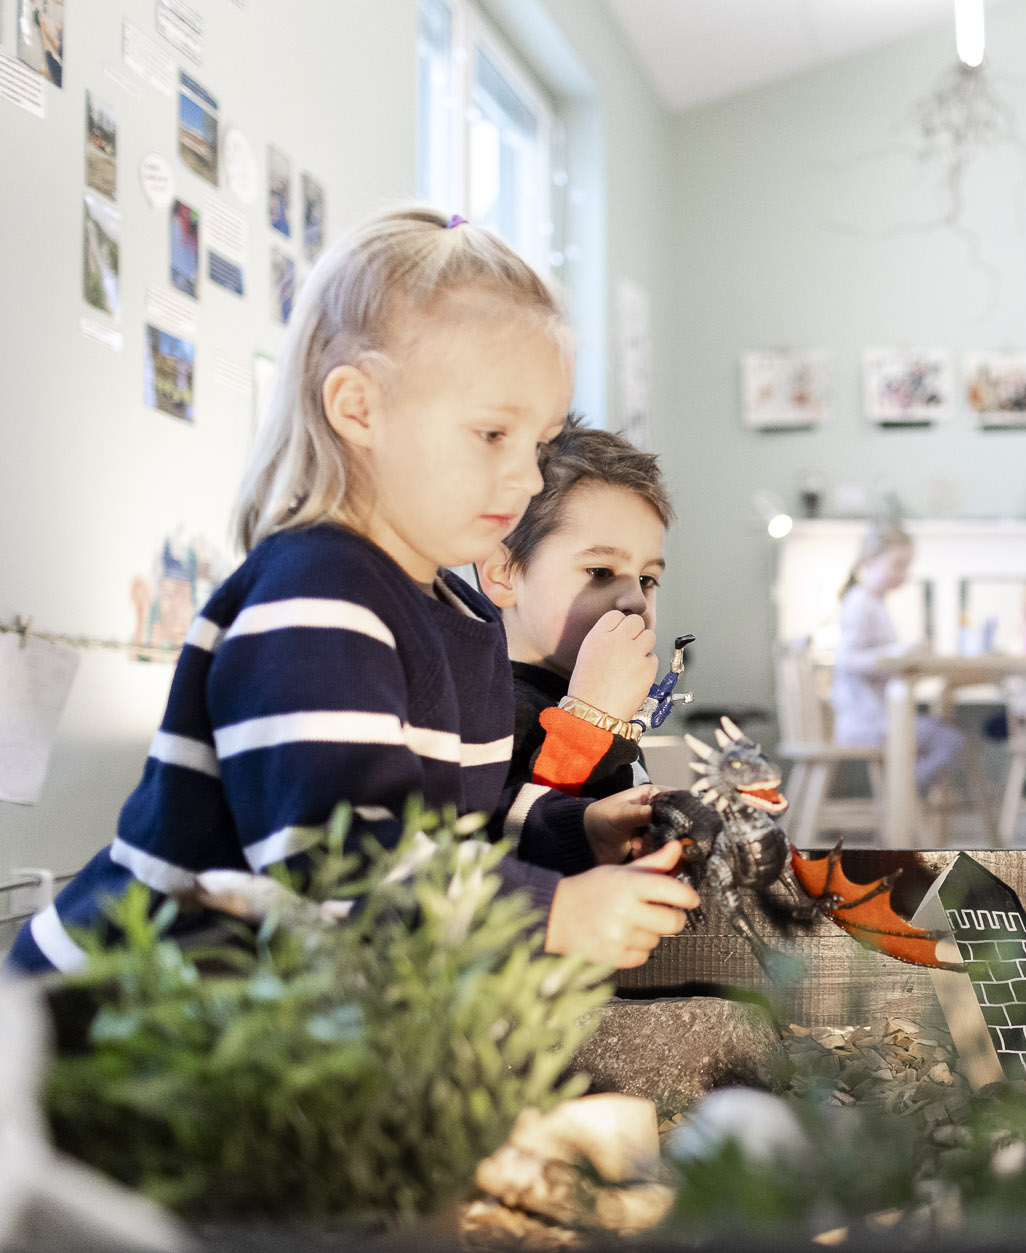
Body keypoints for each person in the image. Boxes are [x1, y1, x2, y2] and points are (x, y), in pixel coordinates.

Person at [7, 208, 692, 976]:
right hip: (120, 1013)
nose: (528, 477)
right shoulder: (319, 597)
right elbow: (336, 862)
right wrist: (553, 910)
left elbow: (444, 842)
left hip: (262, 1019)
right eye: (493, 435)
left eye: (535, 445)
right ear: (358, 408)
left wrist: (578, 831)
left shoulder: (451, 613)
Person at [479, 418, 673, 826]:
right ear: (503, 573)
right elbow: (519, 846)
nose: (636, 600)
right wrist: (590, 719)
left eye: (647, 579)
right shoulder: (491, 713)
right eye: (600, 571)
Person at [830, 522, 965, 792]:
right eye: (898, 565)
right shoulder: (860, 603)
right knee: (952, 742)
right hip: (867, 722)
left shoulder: (875, 603)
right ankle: (905, 793)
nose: (903, 574)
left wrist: (907, 654)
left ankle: (904, 796)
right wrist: (898, 654)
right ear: (870, 560)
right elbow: (847, 660)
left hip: (878, 717)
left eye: (907, 567)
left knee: (944, 734)